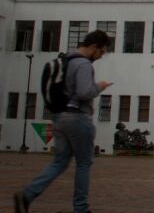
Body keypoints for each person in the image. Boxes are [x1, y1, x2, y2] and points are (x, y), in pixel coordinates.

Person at [14, 30, 113, 213]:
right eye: (100, 52)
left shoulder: (65, 60)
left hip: (60, 117)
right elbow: (84, 92)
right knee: (84, 163)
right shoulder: (83, 64)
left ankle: (27, 194)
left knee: (59, 162)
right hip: (78, 118)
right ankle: (81, 208)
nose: (99, 57)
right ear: (93, 47)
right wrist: (99, 87)